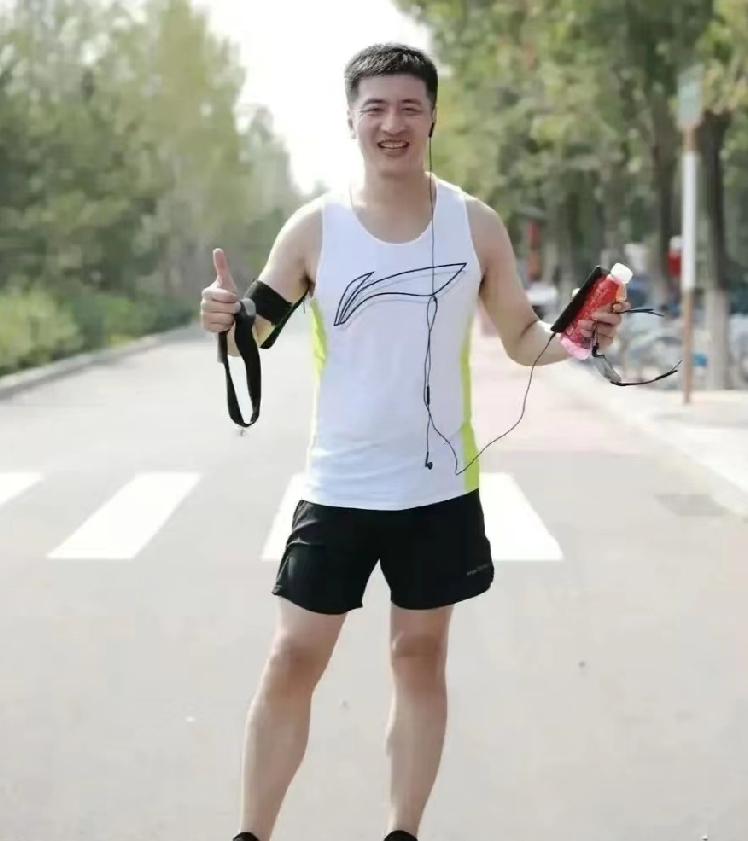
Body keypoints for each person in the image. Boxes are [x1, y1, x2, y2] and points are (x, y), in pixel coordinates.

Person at [199, 43, 626, 841]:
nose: (391, 123)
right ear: (352, 120)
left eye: (408, 106)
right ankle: (252, 831)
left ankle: (403, 830)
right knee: (293, 656)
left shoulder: (475, 225)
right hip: (339, 485)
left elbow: (521, 337)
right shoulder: (314, 228)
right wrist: (225, 319)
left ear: (432, 118)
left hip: (438, 489)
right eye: (375, 107)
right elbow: (253, 329)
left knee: (418, 657)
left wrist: (581, 338)